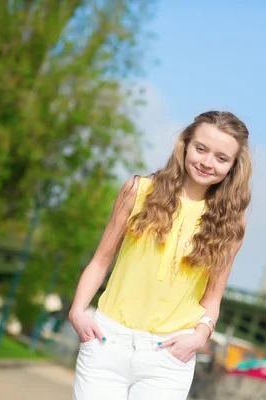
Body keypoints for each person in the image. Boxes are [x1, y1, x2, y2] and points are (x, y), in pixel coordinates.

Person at [68, 110, 252, 399]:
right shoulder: (138, 190)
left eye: (221, 157)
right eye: (201, 149)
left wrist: (199, 337)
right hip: (107, 343)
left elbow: (213, 297)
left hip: (168, 357)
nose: (206, 162)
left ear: (233, 166)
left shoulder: (232, 223)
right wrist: (78, 311)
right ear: (186, 144)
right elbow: (101, 260)